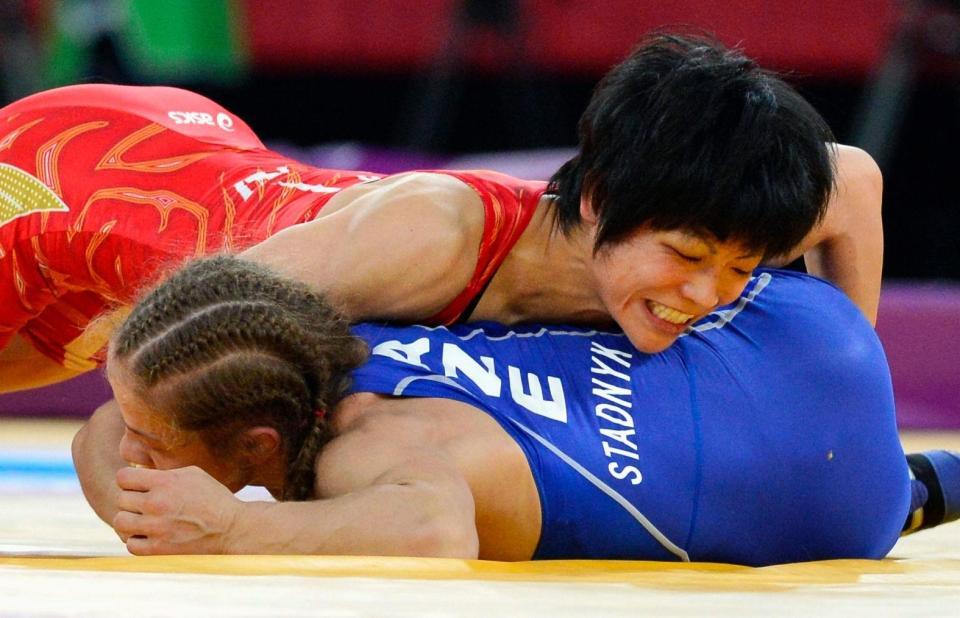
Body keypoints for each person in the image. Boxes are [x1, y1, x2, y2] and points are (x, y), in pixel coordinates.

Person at [1, 33, 883, 394]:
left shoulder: (717, 216)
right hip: (68, 186)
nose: (706, 294)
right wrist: (133, 480)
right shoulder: (433, 238)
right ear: (599, 200)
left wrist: (856, 395)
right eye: (690, 256)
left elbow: (855, 179)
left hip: (207, 183)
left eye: (741, 271)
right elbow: (153, 341)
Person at [73, 256, 958, 565]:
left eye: (147, 440)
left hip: (837, 505)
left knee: (879, 491)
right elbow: (113, 416)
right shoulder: (326, 335)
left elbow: (435, 530)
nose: (126, 452)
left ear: (259, 444)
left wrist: (231, 527)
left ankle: (917, 487)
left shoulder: (363, 452)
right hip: (795, 327)